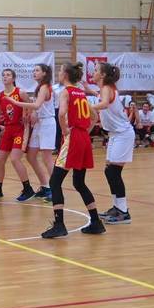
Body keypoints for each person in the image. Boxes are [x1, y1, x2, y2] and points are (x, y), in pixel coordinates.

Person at [41, 62, 106, 239]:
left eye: (60, 71)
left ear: (65, 75)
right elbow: (94, 116)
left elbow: (61, 114)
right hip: (83, 137)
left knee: (55, 182)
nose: (58, 73)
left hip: (74, 138)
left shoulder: (66, 92)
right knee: (79, 182)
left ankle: (59, 225)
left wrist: (64, 130)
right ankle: (96, 222)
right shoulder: (81, 93)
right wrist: (86, 130)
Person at [91, 62, 134, 225]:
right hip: (115, 135)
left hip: (123, 134)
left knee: (113, 172)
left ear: (102, 75)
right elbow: (101, 98)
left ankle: (123, 212)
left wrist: (87, 106)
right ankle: (117, 207)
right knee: (110, 172)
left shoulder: (107, 88)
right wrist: (87, 89)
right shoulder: (105, 89)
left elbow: (103, 104)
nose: (93, 72)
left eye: (96, 70)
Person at [0, 69, 35, 202]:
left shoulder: (20, 92)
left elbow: (31, 106)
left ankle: (28, 189)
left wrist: (29, 116)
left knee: (14, 159)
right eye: (3, 75)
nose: (5, 77)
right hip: (8, 130)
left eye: (8, 75)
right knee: (0, 160)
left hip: (20, 129)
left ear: (13, 78)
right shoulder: (0, 96)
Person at [9, 64, 55, 202]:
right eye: (34, 70)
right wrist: (33, 113)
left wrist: (15, 102)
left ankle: (56, 190)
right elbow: (37, 107)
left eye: (37, 70)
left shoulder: (45, 87)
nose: (34, 72)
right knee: (31, 156)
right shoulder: (39, 87)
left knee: (47, 158)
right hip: (39, 124)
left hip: (47, 123)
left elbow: (36, 105)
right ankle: (45, 186)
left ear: (45, 73)